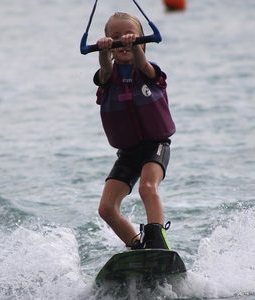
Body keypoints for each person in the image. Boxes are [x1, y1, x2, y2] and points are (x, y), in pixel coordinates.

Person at [94, 12, 176, 250]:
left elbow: (142, 64)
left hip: (155, 145)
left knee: (147, 188)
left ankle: (158, 242)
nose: (123, 41)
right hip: (128, 152)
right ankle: (137, 247)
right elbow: (105, 72)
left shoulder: (149, 71)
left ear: (142, 41)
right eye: (115, 37)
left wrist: (136, 47)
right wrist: (102, 51)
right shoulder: (107, 77)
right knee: (106, 208)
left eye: (130, 36)